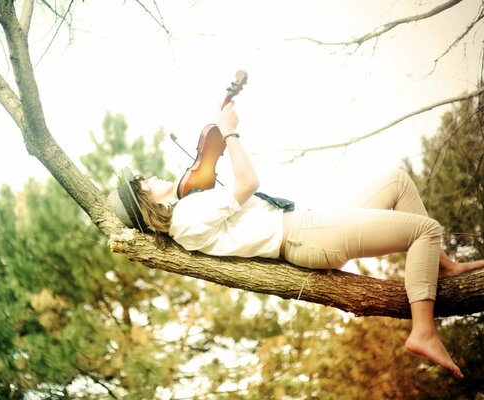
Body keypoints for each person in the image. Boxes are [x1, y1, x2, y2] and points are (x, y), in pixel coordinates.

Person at [108, 101, 484, 379]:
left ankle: (441, 266)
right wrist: (231, 132)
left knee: (397, 181)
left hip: (306, 225)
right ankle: (423, 330)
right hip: (303, 236)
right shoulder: (187, 216)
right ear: (144, 203)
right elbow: (248, 184)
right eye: (142, 182)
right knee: (426, 229)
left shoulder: (186, 213)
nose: (149, 177)